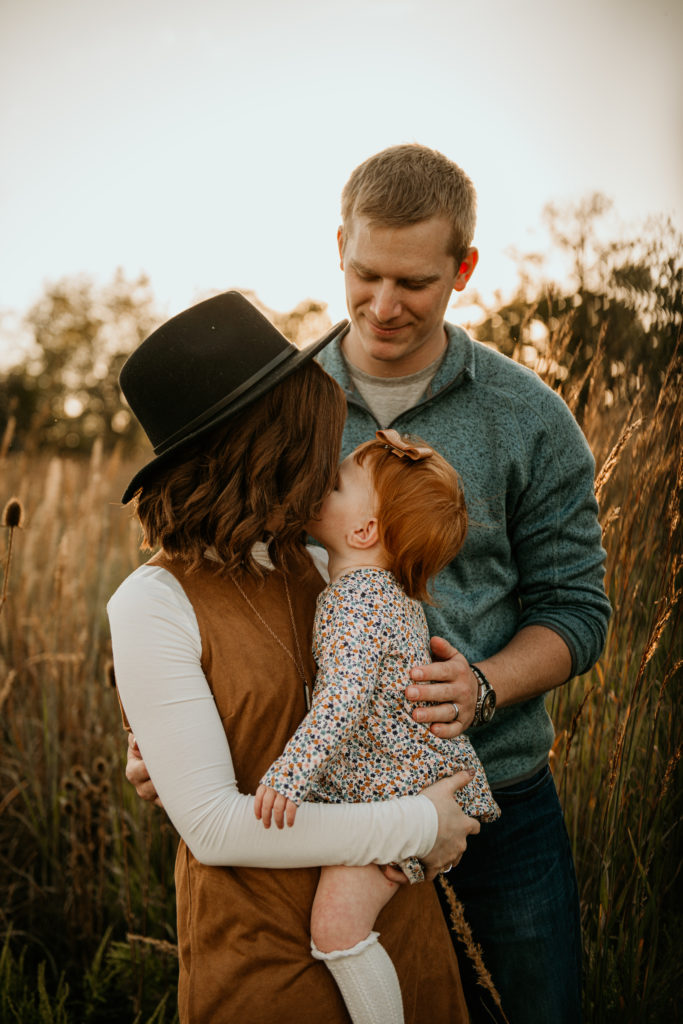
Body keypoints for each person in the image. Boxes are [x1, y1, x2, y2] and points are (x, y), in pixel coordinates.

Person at [126, 144, 612, 1022]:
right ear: (339, 247)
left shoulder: (528, 417)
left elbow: (576, 609)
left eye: (415, 282)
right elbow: (230, 591)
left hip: (490, 782)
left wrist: (483, 685)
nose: (384, 305)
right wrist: (179, 733)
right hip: (334, 799)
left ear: (463, 269)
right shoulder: (278, 403)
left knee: (542, 1005)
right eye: (365, 273)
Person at [108, 290, 478, 1024]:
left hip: (398, 939)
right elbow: (215, 827)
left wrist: (463, 685)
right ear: (264, 446)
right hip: (268, 964)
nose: (329, 453)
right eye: (311, 435)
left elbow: (390, 680)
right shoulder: (151, 604)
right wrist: (418, 825)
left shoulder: (322, 560)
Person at [254, 427, 500, 1024]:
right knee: (344, 927)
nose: (321, 482)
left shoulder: (357, 599)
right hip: (401, 779)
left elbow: (343, 699)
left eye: (335, 482)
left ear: (364, 531)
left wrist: (289, 774)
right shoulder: (380, 589)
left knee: (337, 930)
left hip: (392, 789)